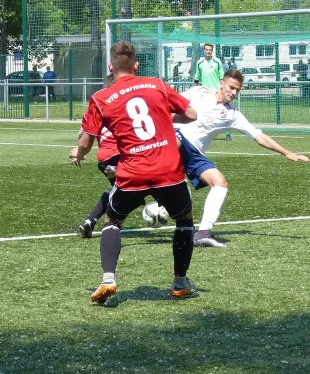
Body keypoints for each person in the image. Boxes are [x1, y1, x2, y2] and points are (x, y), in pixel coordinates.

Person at [73, 41, 198, 304]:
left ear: (111, 66)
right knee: (184, 219)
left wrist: (80, 154)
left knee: (112, 221)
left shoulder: (101, 98)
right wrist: (163, 116)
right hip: (168, 170)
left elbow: (85, 142)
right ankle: (179, 282)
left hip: (133, 173)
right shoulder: (157, 85)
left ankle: (109, 279)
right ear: (136, 65)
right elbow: (191, 114)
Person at [176, 69, 309, 247]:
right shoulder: (199, 92)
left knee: (220, 183)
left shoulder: (232, 115)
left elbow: (258, 136)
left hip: (194, 152)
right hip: (173, 139)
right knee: (162, 179)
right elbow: (170, 101)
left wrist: (286, 152)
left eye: (237, 90)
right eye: (231, 87)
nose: (234, 93)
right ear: (221, 83)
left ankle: (203, 233)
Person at [69, 75, 119, 238]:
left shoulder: (95, 105)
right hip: (122, 155)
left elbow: (83, 132)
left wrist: (79, 152)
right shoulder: (122, 101)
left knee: (119, 190)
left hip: (105, 159)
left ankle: (90, 221)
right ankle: (177, 217)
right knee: (146, 184)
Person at [194, 43, 232, 141]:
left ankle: (227, 134)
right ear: (204, 51)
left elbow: (221, 76)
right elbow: (197, 76)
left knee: (223, 113)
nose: (208, 51)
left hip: (217, 92)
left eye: (210, 50)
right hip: (205, 93)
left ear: (212, 51)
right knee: (206, 113)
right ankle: (209, 133)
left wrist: (222, 89)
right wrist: (194, 89)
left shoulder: (217, 62)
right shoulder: (200, 62)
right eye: (206, 50)